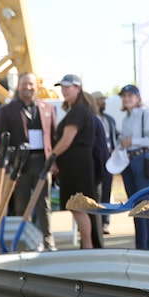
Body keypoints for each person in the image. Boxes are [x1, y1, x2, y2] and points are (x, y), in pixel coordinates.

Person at [0, 72, 58, 251]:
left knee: (44, 204)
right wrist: (9, 165)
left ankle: (48, 242)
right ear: (19, 86)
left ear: (36, 86)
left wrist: (54, 162)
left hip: (42, 163)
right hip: (20, 165)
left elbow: (54, 137)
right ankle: (24, 242)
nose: (28, 88)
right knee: (21, 205)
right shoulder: (7, 110)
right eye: (24, 84)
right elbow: (2, 141)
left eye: (31, 84)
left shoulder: (47, 108)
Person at [50, 74, 103, 249]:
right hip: (75, 165)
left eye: (68, 87)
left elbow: (66, 140)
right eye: (62, 87)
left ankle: (88, 246)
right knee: (78, 206)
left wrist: (51, 157)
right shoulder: (76, 110)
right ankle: (87, 246)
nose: (64, 91)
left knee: (78, 206)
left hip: (77, 166)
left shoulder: (78, 110)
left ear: (78, 88)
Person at [117, 84, 149, 251]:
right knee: (136, 205)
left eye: (130, 95)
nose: (127, 98)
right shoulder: (126, 118)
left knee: (148, 205)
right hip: (128, 161)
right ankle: (141, 247)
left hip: (142, 159)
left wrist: (132, 141)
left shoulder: (146, 114)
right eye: (124, 96)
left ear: (138, 98)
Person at [92, 91, 118, 235]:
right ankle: (94, 223)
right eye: (101, 99)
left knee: (106, 191)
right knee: (96, 192)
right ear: (95, 101)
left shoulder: (110, 120)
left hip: (109, 160)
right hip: (96, 160)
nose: (104, 101)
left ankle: (105, 223)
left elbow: (115, 138)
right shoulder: (90, 119)